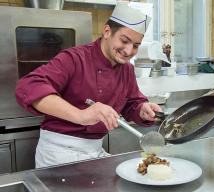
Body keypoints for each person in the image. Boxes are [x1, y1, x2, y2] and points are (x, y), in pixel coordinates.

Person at [15, 2, 162, 168]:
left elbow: (131, 104)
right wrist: (81, 115)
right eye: (124, 40)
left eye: (136, 45)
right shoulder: (74, 58)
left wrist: (142, 110)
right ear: (107, 31)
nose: (129, 51)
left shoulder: (127, 69)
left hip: (94, 150)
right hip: (58, 153)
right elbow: (28, 86)